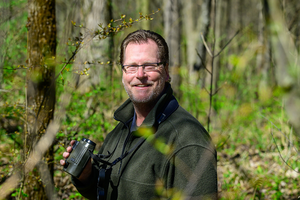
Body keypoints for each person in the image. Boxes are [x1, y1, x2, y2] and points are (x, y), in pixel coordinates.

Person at [60, 29, 218, 200]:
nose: (140, 74)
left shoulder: (188, 141)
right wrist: (86, 176)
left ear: (165, 71)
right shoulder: (121, 130)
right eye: (132, 66)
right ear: (123, 73)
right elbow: (105, 193)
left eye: (149, 66)